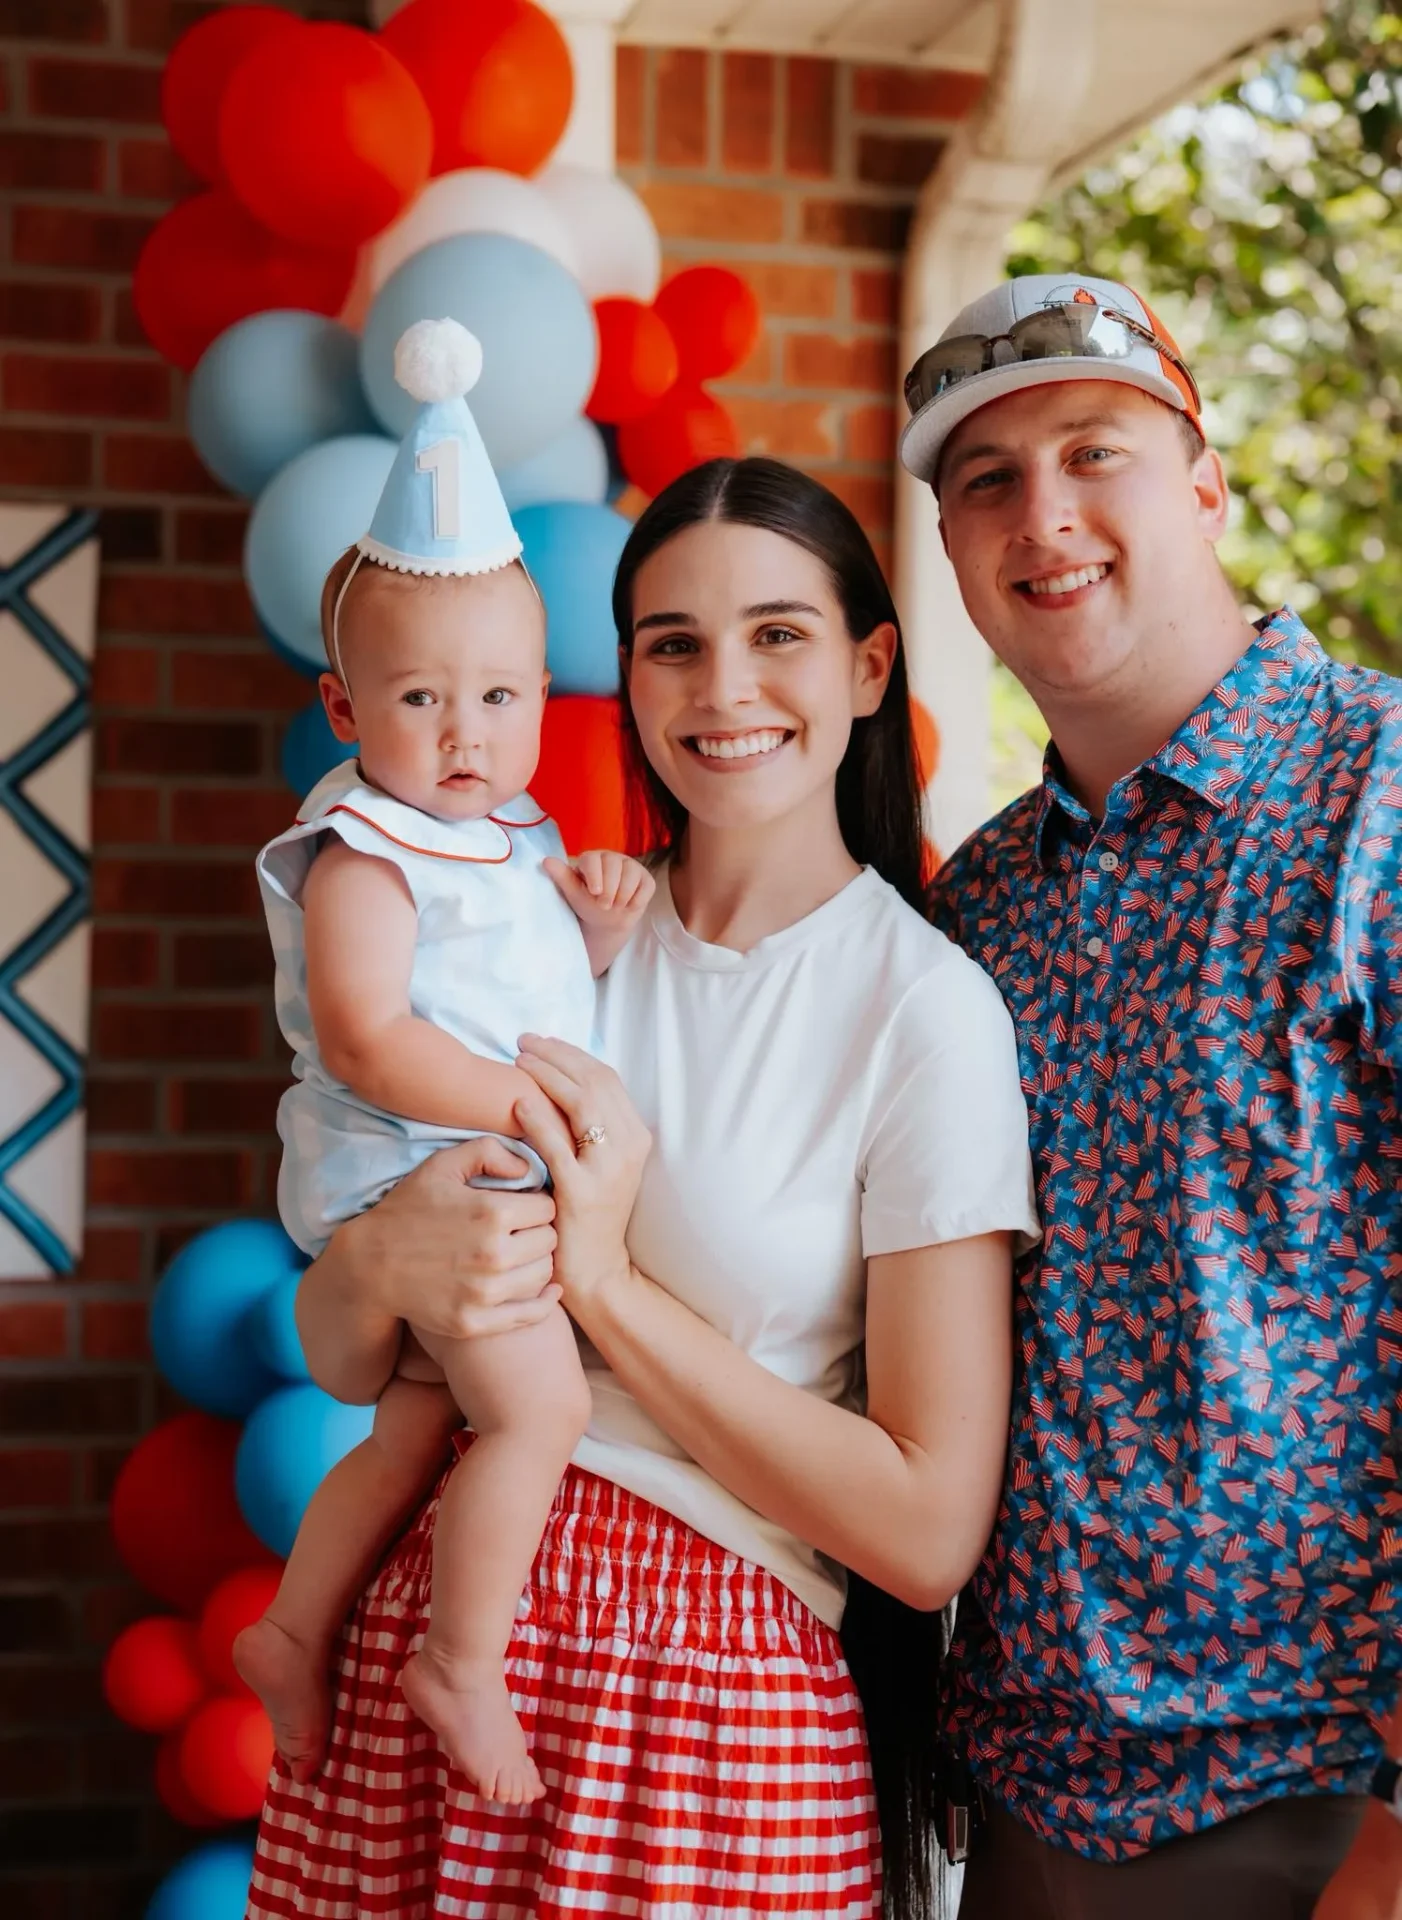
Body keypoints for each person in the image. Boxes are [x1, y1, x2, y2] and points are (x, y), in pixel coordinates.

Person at [244, 454, 1040, 1920]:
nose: (723, 686)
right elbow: (349, 1358)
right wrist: (374, 1265)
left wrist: (602, 1284)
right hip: (425, 1662)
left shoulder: (919, 1009)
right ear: (620, 679)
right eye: (673, 642)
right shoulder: (547, 932)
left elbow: (928, 1541)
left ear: (869, 667)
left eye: (777, 634)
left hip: (699, 1702)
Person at [899, 272, 1402, 1917]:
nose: (1041, 515)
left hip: (1323, 1807)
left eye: (1091, 450)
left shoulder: (1378, 797)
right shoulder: (975, 908)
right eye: (985, 479)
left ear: (1202, 485)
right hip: (1031, 1807)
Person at [234, 319, 654, 1808]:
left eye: (503, 697)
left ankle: (292, 1630)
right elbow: (371, 1034)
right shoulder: (361, 848)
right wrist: (530, 1106)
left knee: (420, 1421)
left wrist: (594, 944)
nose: (468, 735)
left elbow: (522, 988)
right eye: (422, 700)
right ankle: (456, 1665)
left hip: (470, 1173)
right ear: (347, 711)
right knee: (538, 1411)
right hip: (405, 1172)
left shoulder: (515, 836)